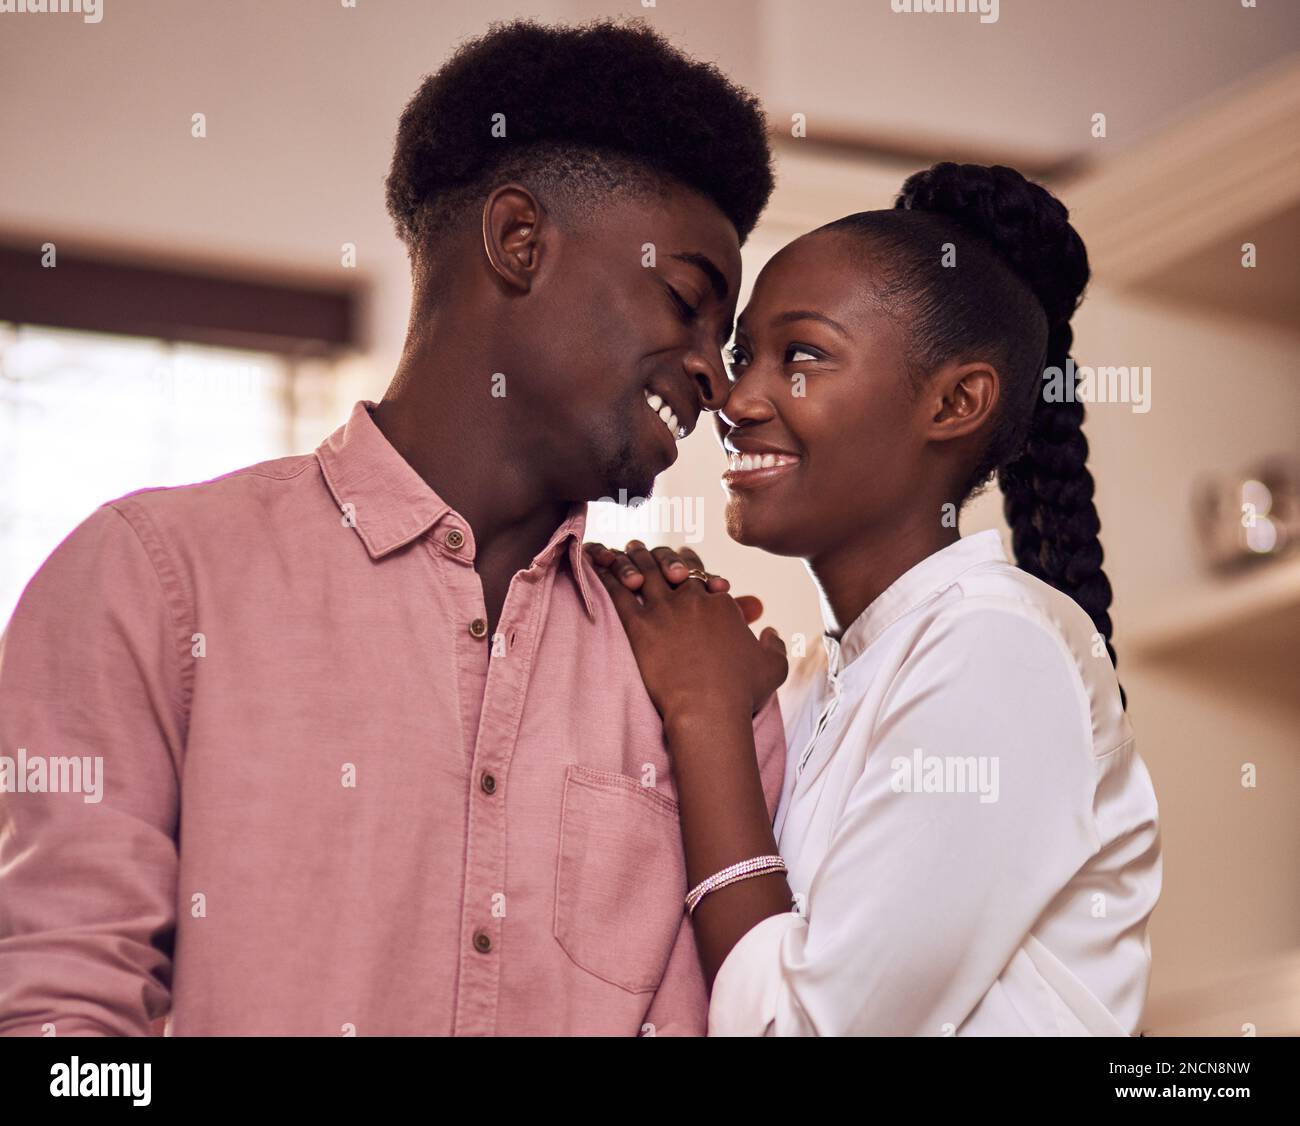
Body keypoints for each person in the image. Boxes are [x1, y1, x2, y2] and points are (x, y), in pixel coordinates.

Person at [0, 19, 785, 1036]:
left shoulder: (701, 675)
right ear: (519, 241)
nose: (716, 378)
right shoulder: (155, 580)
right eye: (685, 302)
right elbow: (62, 1025)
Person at [588, 162, 1163, 1036]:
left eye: (804, 356)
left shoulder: (996, 646)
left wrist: (704, 710)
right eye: (746, 358)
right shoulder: (824, 675)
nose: (736, 400)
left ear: (956, 401)